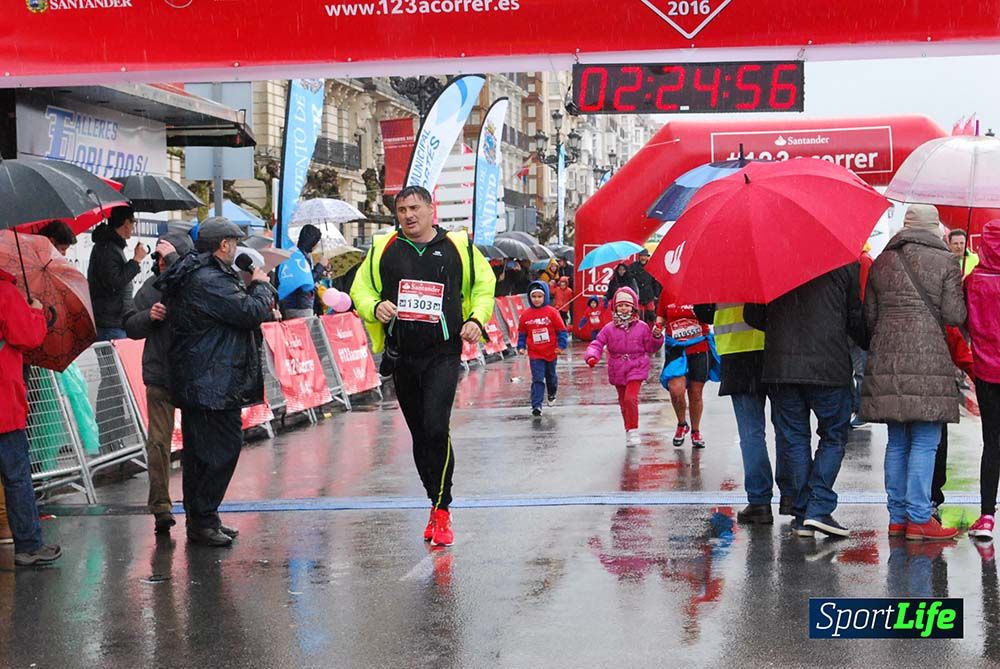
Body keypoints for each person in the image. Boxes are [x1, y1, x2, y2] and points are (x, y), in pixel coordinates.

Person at [351, 185, 495, 547]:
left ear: (432, 209)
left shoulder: (459, 247)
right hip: (402, 354)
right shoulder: (384, 247)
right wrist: (374, 307)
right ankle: (433, 500)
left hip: (442, 353)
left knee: (436, 427)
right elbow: (360, 290)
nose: (408, 216)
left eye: (415, 208)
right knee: (419, 435)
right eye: (402, 210)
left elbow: (484, 287)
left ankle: (443, 509)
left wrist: (476, 319)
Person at [156, 217, 276, 547]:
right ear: (224, 245)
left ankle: (204, 519)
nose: (236, 249)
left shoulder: (202, 274)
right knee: (219, 452)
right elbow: (250, 312)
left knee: (203, 455)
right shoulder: (209, 279)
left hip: (207, 379)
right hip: (212, 382)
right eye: (234, 243)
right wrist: (260, 284)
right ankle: (203, 519)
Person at [861, 204, 966, 542]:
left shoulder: (882, 262)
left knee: (897, 442)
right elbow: (954, 316)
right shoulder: (946, 261)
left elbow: (869, 318)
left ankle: (897, 518)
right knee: (924, 441)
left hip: (888, 362)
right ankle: (920, 517)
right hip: (928, 361)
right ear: (935, 229)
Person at [745, 262, 865, 538]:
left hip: (782, 367)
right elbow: (855, 318)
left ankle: (802, 513)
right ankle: (818, 506)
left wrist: (782, 325)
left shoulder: (771, 263)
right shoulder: (844, 264)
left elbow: (752, 314)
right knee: (833, 436)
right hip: (829, 366)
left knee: (794, 439)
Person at [695, 303, 793, 525]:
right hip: (777, 349)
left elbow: (704, 313)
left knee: (751, 434)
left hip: (738, 355)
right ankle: (791, 497)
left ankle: (759, 502)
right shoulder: (772, 277)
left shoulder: (721, 280)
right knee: (787, 430)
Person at [124, 231, 194, 535]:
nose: (160, 262)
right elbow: (130, 325)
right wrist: (148, 316)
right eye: (157, 256)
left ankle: (199, 508)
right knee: (158, 444)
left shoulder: (196, 284)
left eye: (166, 256)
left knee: (198, 445)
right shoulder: (152, 286)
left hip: (193, 377)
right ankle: (161, 507)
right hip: (160, 376)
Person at [0, 267, 61, 565]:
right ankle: (29, 545)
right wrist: (36, 312)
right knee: (16, 477)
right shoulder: (5, 293)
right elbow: (28, 337)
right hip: (3, 406)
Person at [585, 287, 664, 446]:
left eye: (627, 305)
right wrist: (592, 356)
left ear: (633, 307)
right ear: (615, 307)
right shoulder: (609, 328)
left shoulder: (642, 327)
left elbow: (651, 348)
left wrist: (656, 336)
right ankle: (628, 429)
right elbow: (597, 343)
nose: (623, 308)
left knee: (630, 398)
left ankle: (634, 429)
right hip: (617, 368)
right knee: (623, 401)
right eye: (620, 305)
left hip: (637, 366)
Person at [964, 219, 1000, 541]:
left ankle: (987, 516)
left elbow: (962, 321)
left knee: (992, 443)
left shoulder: (973, 281)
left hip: (987, 372)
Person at [656, 296, 712, 449]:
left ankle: (696, 431)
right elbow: (661, 316)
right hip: (675, 348)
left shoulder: (700, 290)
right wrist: (658, 326)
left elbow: (710, 316)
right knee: (676, 389)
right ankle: (681, 424)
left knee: (695, 392)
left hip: (699, 347)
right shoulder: (667, 290)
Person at [88, 206, 147, 340]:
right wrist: (136, 260)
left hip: (113, 319)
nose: (133, 227)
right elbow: (115, 282)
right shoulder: (108, 248)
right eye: (133, 222)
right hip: (110, 322)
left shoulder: (110, 246)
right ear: (126, 223)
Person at [517, 281, 568, 416]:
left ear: (545, 297)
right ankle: (536, 405)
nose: (537, 299)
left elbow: (562, 331)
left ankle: (552, 393)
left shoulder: (552, 313)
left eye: (540, 296)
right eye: (534, 297)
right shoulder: (526, 315)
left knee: (551, 376)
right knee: (538, 378)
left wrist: (561, 346)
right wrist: (521, 346)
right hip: (535, 354)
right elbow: (522, 333)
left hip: (551, 352)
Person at [850, 243, 874, 428]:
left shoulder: (863, 261)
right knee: (855, 368)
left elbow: (864, 295)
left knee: (860, 369)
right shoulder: (859, 259)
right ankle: (856, 407)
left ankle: (862, 411)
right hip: (854, 322)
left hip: (857, 324)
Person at [279, 223, 322, 320]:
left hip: (294, 303)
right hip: (300, 305)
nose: (317, 245)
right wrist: (320, 266)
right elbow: (307, 280)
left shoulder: (297, 254)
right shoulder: (300, 257)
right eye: (317, 241)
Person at [629, 249, 661, 324]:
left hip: (649, 295)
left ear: (647, 257)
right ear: (639, 257)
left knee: (651, 315)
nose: (643, 258)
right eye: (642, 256)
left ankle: (650, 329)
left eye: (645, 256)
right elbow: (629, 280)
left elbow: (656, 281)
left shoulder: (652, 266)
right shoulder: (632, 267)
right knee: (638, 316)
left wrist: (657, 294)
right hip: (638, 296)